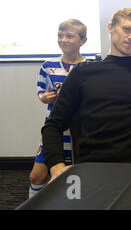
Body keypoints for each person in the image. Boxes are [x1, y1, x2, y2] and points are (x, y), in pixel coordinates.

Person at [41, 8, 131, 182]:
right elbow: (53, 125)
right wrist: (56, 166)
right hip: (93, 169)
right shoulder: (83, 73)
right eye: (127, 29)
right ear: (111, 27)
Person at [29, 19, 88, 198]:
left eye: (70, 36)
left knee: (75, 177)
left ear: (83, 41)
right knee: (37, 176)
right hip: (54, 129)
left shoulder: (90, 66)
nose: (64, 40)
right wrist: (44, 98)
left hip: (81, 130)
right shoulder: (48, 66)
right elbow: (41, 93)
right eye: (60, 35)